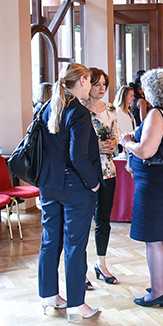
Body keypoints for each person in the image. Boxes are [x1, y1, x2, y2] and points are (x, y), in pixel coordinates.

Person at [37, 62, 102, 321]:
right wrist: (94, 183)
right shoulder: (78, 112)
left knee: (50, 240)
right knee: (75, 245)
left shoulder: (47, 107)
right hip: (74, 187)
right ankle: (78, 303)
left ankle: (49, 295)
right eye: (90, 80)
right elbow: (78, 156)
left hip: (48, 184)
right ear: (83, 80)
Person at [120, 69, 163, 307]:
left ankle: (157, 292)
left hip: (155, 181)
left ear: (153, 90)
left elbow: (147, 151)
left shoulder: (158, 113)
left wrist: (128, 143)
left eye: (145, 88)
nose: (142, 92)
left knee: (154, 238)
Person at [83, 68, 119, 289]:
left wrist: (113, 143)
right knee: (82, 222)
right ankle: (80, 270)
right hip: (86, 171)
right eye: (97, 84)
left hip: (108, 169)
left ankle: (101, 263)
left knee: (103, 220)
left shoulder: (111, 109)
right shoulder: (80, 111)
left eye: (104, 84)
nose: (101, 88)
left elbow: (115, 133)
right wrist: (95, 146)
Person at [114, 85, 136, 153]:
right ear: (124, 96)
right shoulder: (118, 112)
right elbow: (117, 130)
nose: (133, 98)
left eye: (133, 95)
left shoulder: (129, 112)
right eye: (131, 95)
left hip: (130, 144)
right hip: (123, 145)